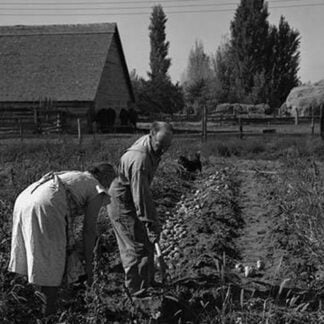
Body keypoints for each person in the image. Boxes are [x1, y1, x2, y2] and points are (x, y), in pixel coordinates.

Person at [8, 163, 116, 316]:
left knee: (36, 253)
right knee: (53, 259)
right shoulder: (96, 187)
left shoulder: (77, 176)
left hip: (25, 199)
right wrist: (91, 270)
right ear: (106, 178)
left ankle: (33, 302)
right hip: (46, 205)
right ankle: (48, 314)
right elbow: (89, 230)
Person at [107, 121, 173, 297]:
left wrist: (150, 226)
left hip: (132, 194)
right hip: (122, 202)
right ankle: (136, 291)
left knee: (146, 243)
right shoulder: (140, 161)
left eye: (167, 146)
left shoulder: (152, 145)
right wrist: (150, 224)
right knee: (136, 247)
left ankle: (148, 282)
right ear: (151, 135)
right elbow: (141, 198)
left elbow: (141, 195)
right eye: (160, 146)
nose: (163, 151)